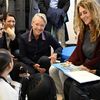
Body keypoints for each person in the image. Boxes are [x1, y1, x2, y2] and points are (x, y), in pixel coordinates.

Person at [49, 0, 100, 99]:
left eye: (85, 12)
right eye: (80, 14)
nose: (82, 16)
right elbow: (78, 51)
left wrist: (84, 66)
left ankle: (68, 95)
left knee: (62, 72)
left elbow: (98, 58)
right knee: (53, 69)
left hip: (93, 66)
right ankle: (62, 95)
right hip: (84, 64)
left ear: (93, 11)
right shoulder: (84, 30)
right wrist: (68, 62)